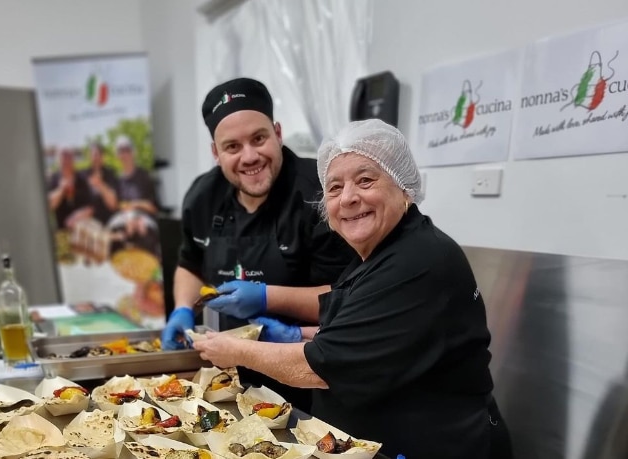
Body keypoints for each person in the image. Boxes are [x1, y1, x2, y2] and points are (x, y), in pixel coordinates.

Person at [193, 119, 513, 458]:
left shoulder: (417, 261)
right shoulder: (377, 253)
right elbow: (367, 333)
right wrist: (294, 334)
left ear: (403, 187)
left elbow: (317, 368)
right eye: (334, 188)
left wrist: (236, 351)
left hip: (437, 445)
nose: (347, 198)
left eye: (365, 180)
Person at [162, 77, 355, 411]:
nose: (249, 156)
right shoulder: (203, 196)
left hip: (311, 374)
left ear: (278, 133)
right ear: (216, 153)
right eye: (232, 147)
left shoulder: (322, 193)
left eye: (259, 138)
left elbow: (348, 298)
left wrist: (266, 297)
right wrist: (181, 307)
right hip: (228, 377)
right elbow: (190, 262)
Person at [47, 146, 93, 230]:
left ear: (73, 159)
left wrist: (76, 217)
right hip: (61, 230)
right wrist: (61, 189)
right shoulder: (53, 179)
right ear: (58, 160)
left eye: (69, 156)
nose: (66, 160)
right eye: (63, 156)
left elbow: (90, 208)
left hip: (81, 230)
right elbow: (50, 206)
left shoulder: (82, 179)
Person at [84, 142, 118, 225]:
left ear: (103, 157)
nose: (96, 158)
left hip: (110, 220)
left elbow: (113, 204)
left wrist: (100, 184)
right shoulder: (84, 175)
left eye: (98, 154)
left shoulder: (110, 173)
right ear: (89, 157)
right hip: (89, 221)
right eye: (93, 155)